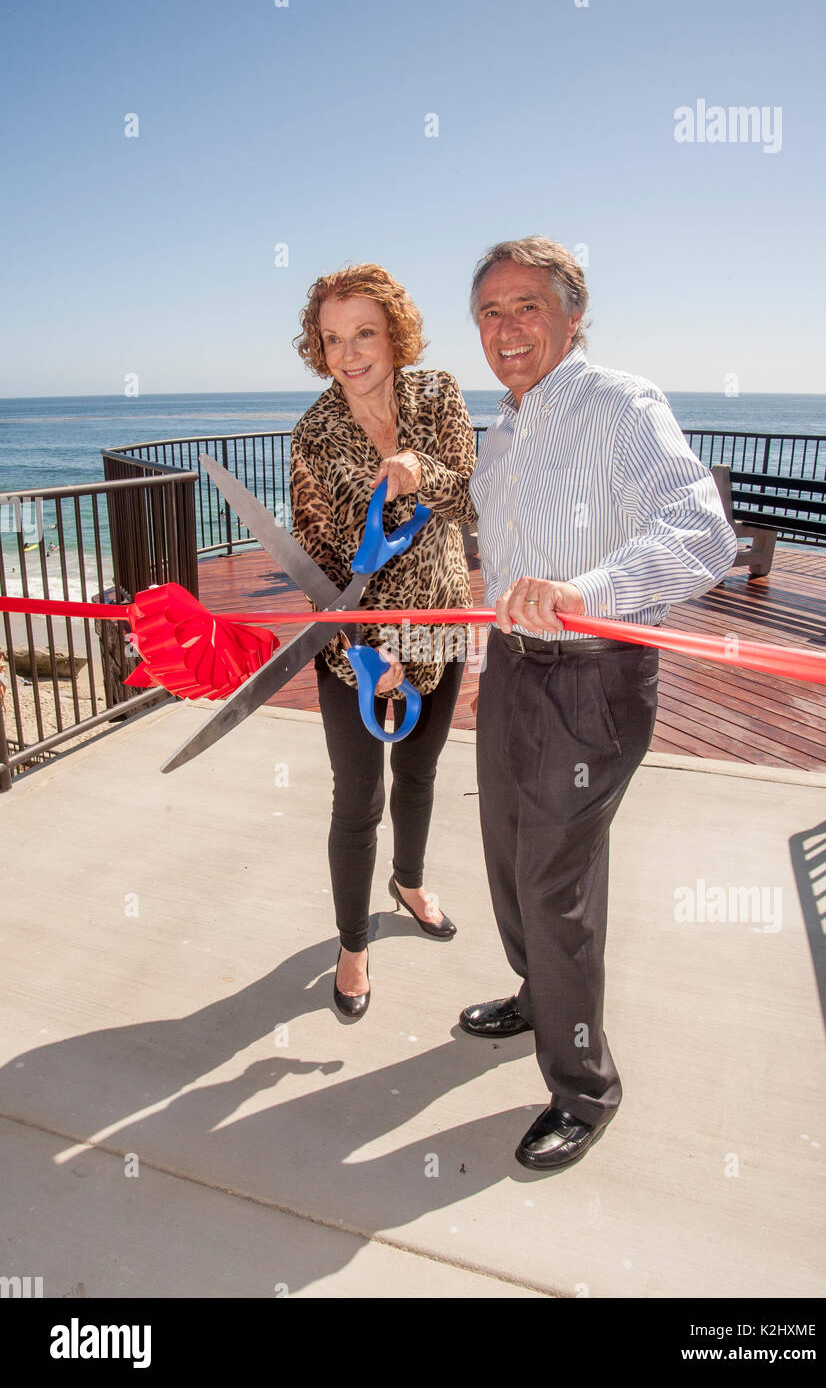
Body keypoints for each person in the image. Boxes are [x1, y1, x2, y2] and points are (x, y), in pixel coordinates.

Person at [459, 237, 738, 1169]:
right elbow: (499, 562)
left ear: (573, 317)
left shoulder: (623, 403)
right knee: (505, 852)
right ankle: (540, 992)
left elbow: (699, 533)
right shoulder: (498, 434)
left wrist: (590, 586)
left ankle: (583, 1088)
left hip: (595, 673)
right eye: (490, 311)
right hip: (510, 668)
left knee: (554, 879)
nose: (506, 328)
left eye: (527, 306)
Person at [290, 263, 476, 1019]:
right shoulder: (313, 433)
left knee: (422, 775)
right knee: (357, 801)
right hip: (359, 649)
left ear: (394, 333)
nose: (349, 352)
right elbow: (318, 561)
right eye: (333, 339)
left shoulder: (437, 394)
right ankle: (353, 947)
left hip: (442, 627)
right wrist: (373, 650)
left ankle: (409, 880)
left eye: (364, 332)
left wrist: (416, 470)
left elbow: (468, 492)